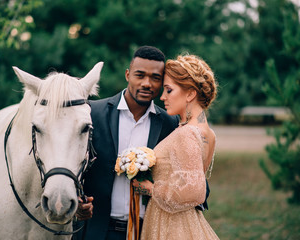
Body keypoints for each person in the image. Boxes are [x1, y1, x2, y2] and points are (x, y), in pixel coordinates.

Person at [73, 47, 209, 240]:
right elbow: (72, 162)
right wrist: (77, 201)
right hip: (96, 230)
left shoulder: (170, 124)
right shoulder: (93, 114)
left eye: (155, 78)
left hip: (149, 231)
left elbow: (193, 181)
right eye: (140, 75)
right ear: (128, 75)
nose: (147, 83)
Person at [133, 54, 219, 240]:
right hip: (188, 220)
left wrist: (148, 188)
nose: (162, 97)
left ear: (190, 93)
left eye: (169, 90)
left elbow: (194, 190)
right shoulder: (207, 133)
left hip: (169, 225)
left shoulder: (186, 133)